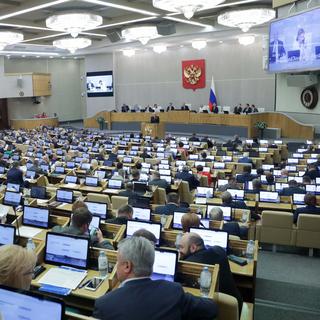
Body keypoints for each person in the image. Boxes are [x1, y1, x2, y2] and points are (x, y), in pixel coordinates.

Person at [93, 237, 218, 320]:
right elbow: (211, 310)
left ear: (127, 266)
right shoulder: (173, 291)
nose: (116, 266)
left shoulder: (104, 304)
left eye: (117, 262)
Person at [179, 233, 243, 312]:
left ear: (193, 247)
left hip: (220, 312)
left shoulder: (190, 264)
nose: (179, 251)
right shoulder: (219, 250)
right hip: (237, 304)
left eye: (181, 247)